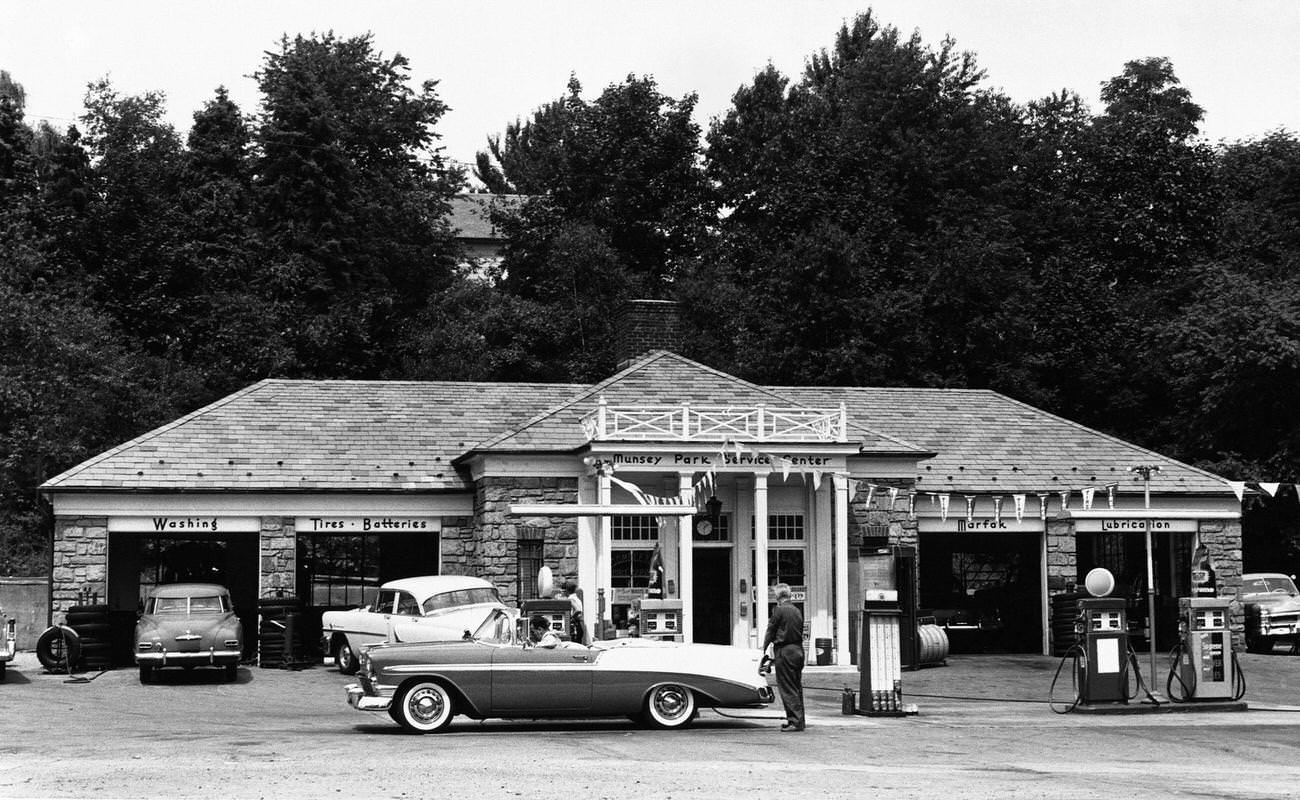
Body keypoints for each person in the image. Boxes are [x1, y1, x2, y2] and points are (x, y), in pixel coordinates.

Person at [761, 583, 806, 732]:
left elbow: (771, 630)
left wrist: (763, 648)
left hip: (785, 651)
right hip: (798, 650)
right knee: (796, 686)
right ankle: (799, 720)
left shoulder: (779, 611)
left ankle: (794, 721)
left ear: (778, 596)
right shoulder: (797, 610)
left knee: (787, 687)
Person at [565, 579, 586, 644]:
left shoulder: (570, 599)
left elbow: (578, 609)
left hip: (574, 627)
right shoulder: (577, 598)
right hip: (579, 625)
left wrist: (570, 618)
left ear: (566, 590)